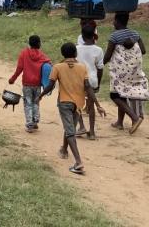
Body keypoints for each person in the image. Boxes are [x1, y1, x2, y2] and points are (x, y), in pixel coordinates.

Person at [37, 42, 102, 175]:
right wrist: (98, 105)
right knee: (70, 127)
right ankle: (64, 150)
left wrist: (41, 95)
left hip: (64, 102)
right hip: (78, 104)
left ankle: (78, 162)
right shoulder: (82, 67)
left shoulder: (58, 67)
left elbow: (50, 86)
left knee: (70, 131)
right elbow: (88, 88)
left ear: (62, 54)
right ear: (76, 54)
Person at [103, 12, 147, 134]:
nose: (113, 22)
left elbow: (108, 55)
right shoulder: (135, 33)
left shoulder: (114, 36)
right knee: (121, 94)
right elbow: (143, 51)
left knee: (115, 95)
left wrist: (100, 64)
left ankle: (134, 118)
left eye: (114, 20)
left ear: (116, 21)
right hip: (133, 71)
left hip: (120, 71)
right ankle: (119, 123)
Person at [9, 35, 51, 133]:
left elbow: (19, 68)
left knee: (28, 103)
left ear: (29, 43)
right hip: (37, 84)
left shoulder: (24, 53)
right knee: (36, 102)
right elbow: (49, 65)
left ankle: (29, 124)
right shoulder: (42, 55)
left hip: (27, 84)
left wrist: (12, 79)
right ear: (39, 44)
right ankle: (35, 121)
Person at [75, 26, 106, 139]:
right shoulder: (98, 50)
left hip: (78, 79)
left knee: (77, 104)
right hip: (92, 80)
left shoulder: (76, 49)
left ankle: (82, 126)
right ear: (94, 35)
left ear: (82, 36)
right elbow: (100, 68)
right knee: (91, 106)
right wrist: (98, 83)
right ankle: (92, 132)